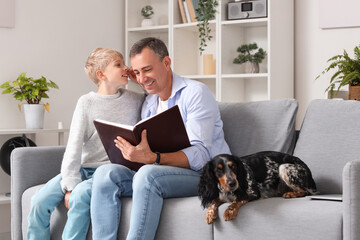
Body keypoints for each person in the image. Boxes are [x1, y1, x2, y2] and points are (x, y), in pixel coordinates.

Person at [90, 37, 231, 240]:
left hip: (204, 174)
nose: (141, 78)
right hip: (161, 172)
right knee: (106, 174)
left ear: (166, 63)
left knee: (148, 175)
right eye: (136, 72)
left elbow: (200, 156)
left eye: (147, 69)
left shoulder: (195, 93)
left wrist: (153, 158)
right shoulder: (149, 102)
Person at [27, 48, 144, 240]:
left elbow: (154, 94)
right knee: (39, 201)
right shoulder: (86, 103)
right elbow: (74, 147)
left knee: (80, 198)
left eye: (124, 63)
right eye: (118, 65)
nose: (126, 68)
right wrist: (70, 185)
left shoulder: (135, 99)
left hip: (107, 174)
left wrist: (137, 78)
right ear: (101, 74)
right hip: (84, 168)